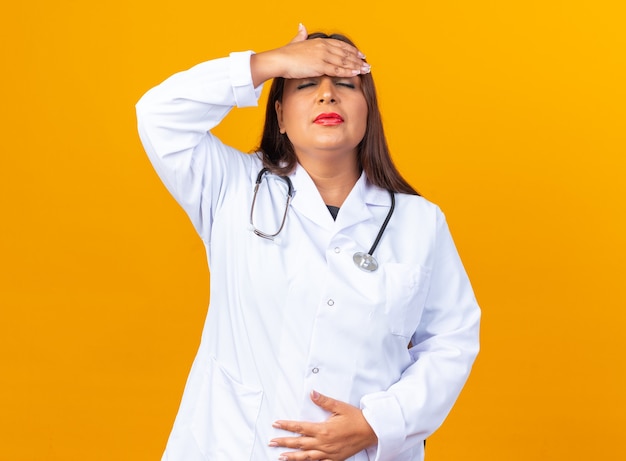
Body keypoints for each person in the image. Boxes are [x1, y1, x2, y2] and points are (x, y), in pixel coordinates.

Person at [136, 24, 480, 461]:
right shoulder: (233, 188)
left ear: (368, 110)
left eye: (343, 83)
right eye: (306, 83)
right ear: (279, 115)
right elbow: (158, 114)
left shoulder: (419, 223)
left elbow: (452, 340)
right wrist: (270, 62)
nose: (326, 95)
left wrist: (378, 424)